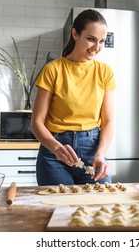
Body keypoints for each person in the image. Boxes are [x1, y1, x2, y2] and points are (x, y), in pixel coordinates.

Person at [31, 9, 116, 186]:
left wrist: (100, 154)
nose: (96, 47)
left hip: (92, 150)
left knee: (102, 207)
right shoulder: (53, 69)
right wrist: (56, 149)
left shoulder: (104, 71)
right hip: (55, 153)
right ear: (75, 33)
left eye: (101, 41)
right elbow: (37, 123)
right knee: (59, 210)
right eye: (91, 39)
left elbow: (108, 121)